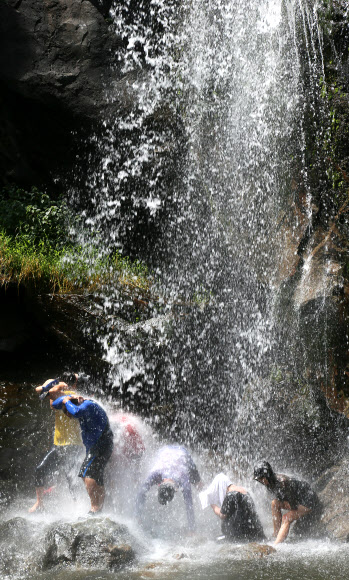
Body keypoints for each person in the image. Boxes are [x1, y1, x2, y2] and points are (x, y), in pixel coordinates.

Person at [29, 373, 84, 513]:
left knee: (71, 478)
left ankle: (78, 506)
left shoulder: (75, 397)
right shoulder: (58, 397)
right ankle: (39, 503)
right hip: (58, 445)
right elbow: (45, 395)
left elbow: (52, 392)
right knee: (40, 469)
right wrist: (53, 384)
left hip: (74, 445)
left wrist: (57, 384)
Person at [52, 394, 114, 513]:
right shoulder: (79, 404)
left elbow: (75, 412)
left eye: (66, 412)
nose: (68, 416)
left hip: (100, 445)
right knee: (96, 475)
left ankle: (94, 508)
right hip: (100, 446)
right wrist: (69, 397)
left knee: (87, 473)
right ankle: (99, 508)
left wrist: (66, 401)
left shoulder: (88, 405)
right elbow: (55, 404)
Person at [136, 444, 202, 532]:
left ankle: (201, 487)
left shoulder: (183, 478)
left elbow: (189, 505)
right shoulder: (156, 473)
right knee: (191, 491)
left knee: (198, 484)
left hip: (181, 452)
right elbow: (189, 505)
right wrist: (138, 517)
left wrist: (192, 530)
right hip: (165, 450)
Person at [253, 461, 322, 545]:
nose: (260, 481)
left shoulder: (282, 482)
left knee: (286, 518)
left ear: (267, 475)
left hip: (310, 502)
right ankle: (276, 535)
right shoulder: (271, 482)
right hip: (299, 500)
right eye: (259, 479)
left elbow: (293, 506)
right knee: (274, 503)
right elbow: (283, 499)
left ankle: (276, 546)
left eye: (261, 478)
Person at [199, 473, 265, 542]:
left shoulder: (230, 495)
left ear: (221, 486)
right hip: (253, 531)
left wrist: (213, 505)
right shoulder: (243, 490)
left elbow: (222, 515)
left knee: (215, 541)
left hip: (240, 535)